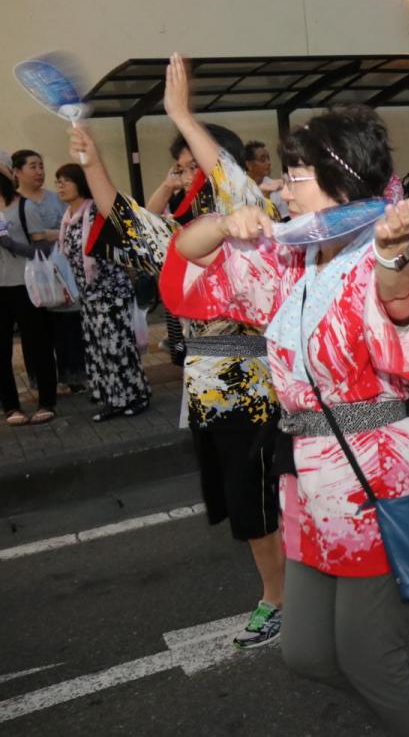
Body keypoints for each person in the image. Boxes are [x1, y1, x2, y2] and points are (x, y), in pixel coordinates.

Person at [163, 85, 409, 732]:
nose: (285, 190)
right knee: (304, 652)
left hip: (372, 473)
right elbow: (188, 256)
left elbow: (402, 311)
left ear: (337, 183)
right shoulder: (290, 259)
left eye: (296, 177)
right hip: (306, 474)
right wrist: (223, 221)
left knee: (366, 655)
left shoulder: (378, 255)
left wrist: (394, 252)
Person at [68, 62, 285, 650]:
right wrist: (93, 164)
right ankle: (290, 575)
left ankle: (278, 597)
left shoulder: (252, 225)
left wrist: (184, 116)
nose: (186, 174)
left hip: (252, 384)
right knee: (237, 498)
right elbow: (125, 222)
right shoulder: (183, 238)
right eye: (182, 166)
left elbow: (231, 181)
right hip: (205, 388)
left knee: (254, 498)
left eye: (195, 165)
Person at [53, 163, 150, 420]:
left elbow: (120, 244)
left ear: (81, 183)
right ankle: (111, 398)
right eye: (58, 181)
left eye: (66, 180)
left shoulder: (95, 212)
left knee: (118, 347)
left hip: (111, 291)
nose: (60, 186)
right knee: (97, 348)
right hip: (88, 295)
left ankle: (135, 395)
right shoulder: (69, 218)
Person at [11, 149, 87, 393]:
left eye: (41, 165)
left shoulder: (56, 198)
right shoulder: (12, 202)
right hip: (29, 276)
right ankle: (41, 380)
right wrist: (53, 233)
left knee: (67, 326)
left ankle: (73, 376)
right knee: (36, 332)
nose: (39, 171)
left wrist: (46, 234)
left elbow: (70, 226)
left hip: (61, 272)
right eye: (33, 166)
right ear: (17, 172)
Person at [0, 173, 58, 425]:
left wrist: (10, 244)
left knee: (37, 344)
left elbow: (42, 248)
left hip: (25, 284)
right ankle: (11, 406)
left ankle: (47, 401)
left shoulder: (24, 207)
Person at [245, 140, 288, 217]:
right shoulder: (238, 187)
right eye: (262, 159)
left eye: (268, 158)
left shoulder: (276, 187)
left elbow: (285, 218)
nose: (268, 162)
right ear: (249, 165)